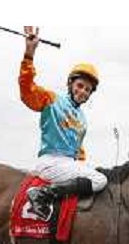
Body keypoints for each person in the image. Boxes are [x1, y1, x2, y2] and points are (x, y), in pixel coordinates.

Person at [18, 25, 108, 217]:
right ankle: (41, 195)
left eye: (87, 90)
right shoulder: (52, 99)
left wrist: (83, 166)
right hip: (50, 162)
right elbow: (27, 90)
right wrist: (29, 53)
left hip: (68, 164)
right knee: (100, 181)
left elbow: (79, 152)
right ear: (71, 84)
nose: (83, 92)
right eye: (80, 86)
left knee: (97, 174)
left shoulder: (83, 119)